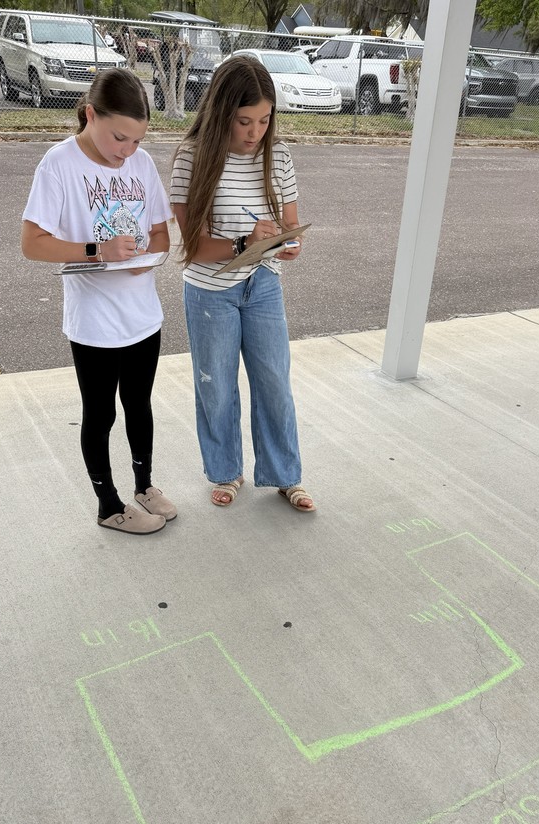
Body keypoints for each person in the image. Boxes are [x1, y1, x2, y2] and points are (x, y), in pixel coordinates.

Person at [21, 68, 177, 535]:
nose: (126, 151)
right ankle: (108, 505)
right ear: (90, 115)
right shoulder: (59, 163)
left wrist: (145, 257)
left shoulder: (141, 163)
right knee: (102, 413)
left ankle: (143, 486)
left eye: (135, 140)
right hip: (94, 323)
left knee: (140, 404)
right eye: (118, 138)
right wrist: (98, 249)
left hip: (143, 317)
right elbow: (33, 243)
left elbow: (160, 233)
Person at [170, 55, 316, 512]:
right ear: (221, 113)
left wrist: (288, 245)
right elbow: (192, 246)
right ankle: (226, 472)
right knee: (216, 385)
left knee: (274, 380)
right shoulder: (192, 158)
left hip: (264, 284)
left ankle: (284, 475)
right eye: (245, 121)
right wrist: (240, 242)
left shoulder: (280, 155)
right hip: (209, 290)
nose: (256, 132)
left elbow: (288, 227)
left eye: (265, 120)